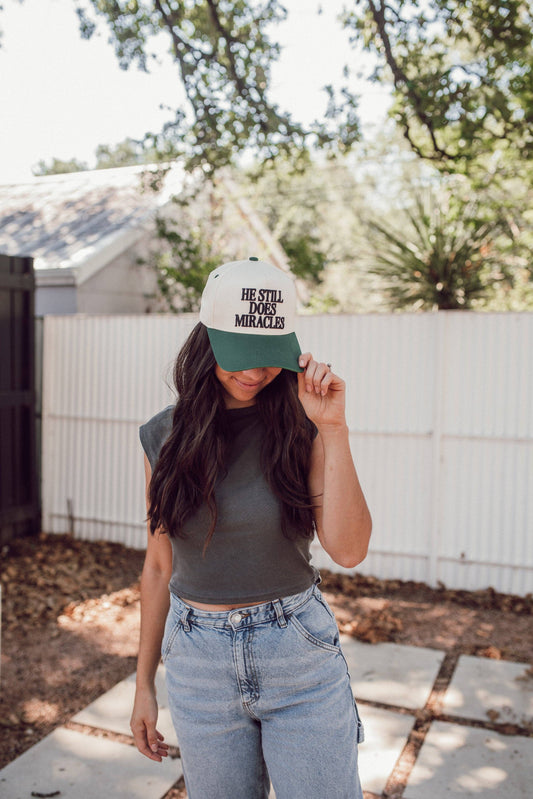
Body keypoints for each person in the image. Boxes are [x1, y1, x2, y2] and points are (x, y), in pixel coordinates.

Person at [130, 257, 372, 799]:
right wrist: (143, 684)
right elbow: (160, 565)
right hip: (197, 663)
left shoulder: (303, 426)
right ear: (206, 342)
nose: (256, 373)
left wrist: (334, 429)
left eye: (269, 357)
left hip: (296, 652)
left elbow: (350, 549)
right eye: (240, 355)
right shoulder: (162, 437)